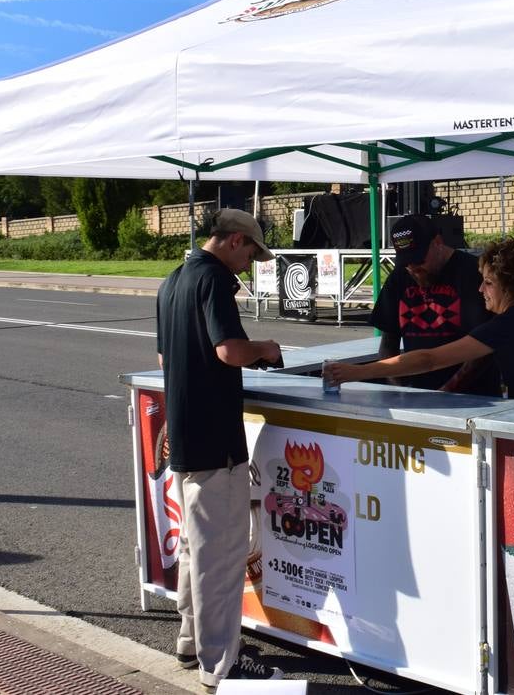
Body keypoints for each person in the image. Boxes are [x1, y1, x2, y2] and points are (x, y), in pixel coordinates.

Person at [155, 209, 283, 688]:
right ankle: (220, 665)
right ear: (233, 240)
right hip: (216, 443)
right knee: (221, 561)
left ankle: (191, 644)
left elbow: (166, 357)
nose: (250, 263)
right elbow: (228, 350)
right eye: (250, 252)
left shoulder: (172, 281)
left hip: (186, 437)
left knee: (194, 549)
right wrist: (266, 348)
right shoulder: (216, 281)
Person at [328, 238, 514, 405]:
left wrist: (355, 373)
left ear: (508, 286)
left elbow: (428, 359)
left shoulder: (510, 324)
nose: (481, 290)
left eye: (488, 282)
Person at [370, 214, 500, 394]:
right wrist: (399, 388)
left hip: (474, 397)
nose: (413, 268)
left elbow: (483, 348)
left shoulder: (473, 273)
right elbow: (388, 341)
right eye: (406, 262)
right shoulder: (400, 276)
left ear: (437, 242)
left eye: (419, 259)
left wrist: (446, 391)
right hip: (417, 394)